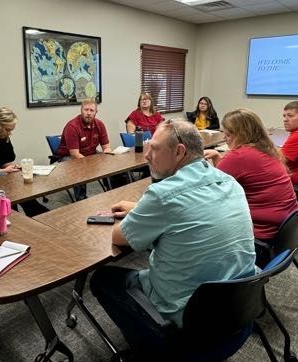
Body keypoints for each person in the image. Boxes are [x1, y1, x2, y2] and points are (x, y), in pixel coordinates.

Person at [89, 119, 256, 348]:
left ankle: (147, 347)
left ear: (179, 152)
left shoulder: (162, 195)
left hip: (188, 319)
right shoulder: (230, 182)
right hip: (236, 308)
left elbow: (120, 237)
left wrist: (144, 212)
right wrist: (142, 210)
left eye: (155, 148)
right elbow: (187, 211)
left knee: (102, 278)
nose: (147, 155)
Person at [204, 108, 298, 257]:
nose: (225, 138)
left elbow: (208, 192)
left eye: (228, 134)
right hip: (282, 227)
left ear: (241, 134)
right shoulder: (267, 149)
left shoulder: (239, 156)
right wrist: (217, 158)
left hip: (259, 234)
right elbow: (228, 179)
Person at [55, 98, 112, 200]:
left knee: (108, 162)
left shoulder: (100, 125)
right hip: (68, 156)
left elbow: (106, 147)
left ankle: (111, 189)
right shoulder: (72, 127)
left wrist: (107, 158)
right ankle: (81, 198)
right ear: (81, 110)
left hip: (90, 153)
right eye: (86, 110)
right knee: (79, 168)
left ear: (96, 112)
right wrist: (92, 164)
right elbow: (75, 155)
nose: (88, 113)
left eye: (91, 110)